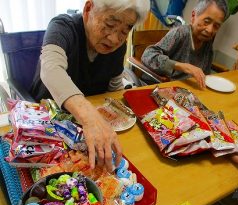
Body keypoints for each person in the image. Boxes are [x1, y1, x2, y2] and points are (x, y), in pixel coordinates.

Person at [29, 0, 150, 171]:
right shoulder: (63, 27)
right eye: (109, 24)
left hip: (85, 130)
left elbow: (114, 87)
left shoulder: (118, 46)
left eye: (125, 30)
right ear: (88, 9)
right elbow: (50, 69)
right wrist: (90, 117)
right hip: (48, 123)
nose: (115, 39)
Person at [141, 0, 228, 88]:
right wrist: (181, 66)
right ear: (193, 16)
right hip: (161, 86)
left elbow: (205, 73)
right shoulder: (179, 33)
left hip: (188, 89)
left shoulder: (207, 42)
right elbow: (148, 55)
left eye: (216, 26)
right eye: (206, 21)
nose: (210, 30)